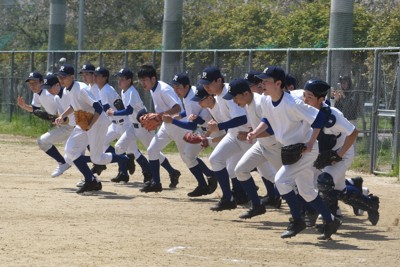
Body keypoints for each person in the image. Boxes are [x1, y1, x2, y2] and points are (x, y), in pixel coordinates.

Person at [248, 66, 341, 240]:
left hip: (305, 151)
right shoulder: (266, 100)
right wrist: (255, 132)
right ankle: (330, 220)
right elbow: (267, 119)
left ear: (278, 83)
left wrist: (311, 142)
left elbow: (319, 117)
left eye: (267, 81)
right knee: (306, 191)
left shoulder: (292, 103)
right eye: (262, 81)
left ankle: (297, 220)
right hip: (291, 151)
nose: (263, 84)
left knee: (281, 181)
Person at [302, 79, 380, 226]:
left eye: (309, 97)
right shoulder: (304, 110)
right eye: (304, 95)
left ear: (321, 99)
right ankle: (370, 204)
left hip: (342, 153)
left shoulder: (332, 116)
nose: (305, 100)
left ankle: (330, 220)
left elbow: (353, 132)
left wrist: (339, 155)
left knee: (324, 182)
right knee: (339, 191)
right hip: (323, 155)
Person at [54, 64, 129, 194]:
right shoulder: (67, 89)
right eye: (59, 77)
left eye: (64, 77)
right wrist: (62, 116)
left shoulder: (81, 89)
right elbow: (73, 105)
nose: (61, 79)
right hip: (83, 123)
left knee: (97, 159)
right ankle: (91, 180)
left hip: (98, 122)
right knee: (70, 150)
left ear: (71, 77)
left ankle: (124, 159)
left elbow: (99, 108)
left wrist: (90, 125)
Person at [223, 78, 283, 219]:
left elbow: (273, 129)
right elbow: (260, 127)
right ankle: (257, 206)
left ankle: (308, 208)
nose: (234, 101)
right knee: (241, 170)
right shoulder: (249, 104)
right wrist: (252, 132)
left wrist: (253, 133)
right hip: (261, 145)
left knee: (285, 181)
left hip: (275, 147)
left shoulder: (259, 104)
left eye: (236, 97)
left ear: (245, 93)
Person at [106, 68, 175, 183]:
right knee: (118, 147)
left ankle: (172, 172)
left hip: (144, 126)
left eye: (122, 79)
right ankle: (127, 165)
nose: (119, 82)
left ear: (129, 80)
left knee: (154, 152)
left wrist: (114, 113)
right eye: (118, 79)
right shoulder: (124, 91)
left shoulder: (132, 91)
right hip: (133, 126)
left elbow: (128, 111)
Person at [198, 66, 251, 211]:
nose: (206, 86)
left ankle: (274, 196)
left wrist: (219, 126)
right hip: (234, 135)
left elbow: (241, 119)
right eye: (204, 83)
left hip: (248, 136)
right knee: (216, 160)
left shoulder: (229, 93)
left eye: (208, 83)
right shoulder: (218, 95)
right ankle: (228, 198)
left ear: (219, 80)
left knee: (266, 171)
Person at [163, 72, 217, 197]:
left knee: (226, 161)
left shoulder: (191, 98)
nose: (175, 90)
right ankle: (205, 182)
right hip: (205, 128)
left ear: (187, 86)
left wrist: (173, 121)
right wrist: (181, 115)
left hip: (212, 130)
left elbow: (192, 125)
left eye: (178, 87)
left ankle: (235, 188)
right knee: (188, 155)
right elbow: (191, 113)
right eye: (174, 87)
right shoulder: (190, 92)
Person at [136, 64, 183, 193]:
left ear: (153, 79)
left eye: (145, 80)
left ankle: (209, 175)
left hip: (179, 125)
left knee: (188, 157)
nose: (143, 83)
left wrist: (158, 116)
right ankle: (156, 183)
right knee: (152, 150)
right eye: (141, 81)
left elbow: (177, 108)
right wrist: (158, 117)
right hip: (167, 125)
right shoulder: (153, 88)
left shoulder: (163, 89)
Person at [17, 71, 71, 177]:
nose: (32, 85)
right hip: (63, 124)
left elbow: (65, 109)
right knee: (74, 155)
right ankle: (92, 172)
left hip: (70, 124)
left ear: (42, 82)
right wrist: (24, 106)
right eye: (30, 83)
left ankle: (64, 163)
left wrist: (53, 118)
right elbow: (35, 110)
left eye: (35, 82)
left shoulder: (50, 93)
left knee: (77, 154)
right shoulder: (37, 94)